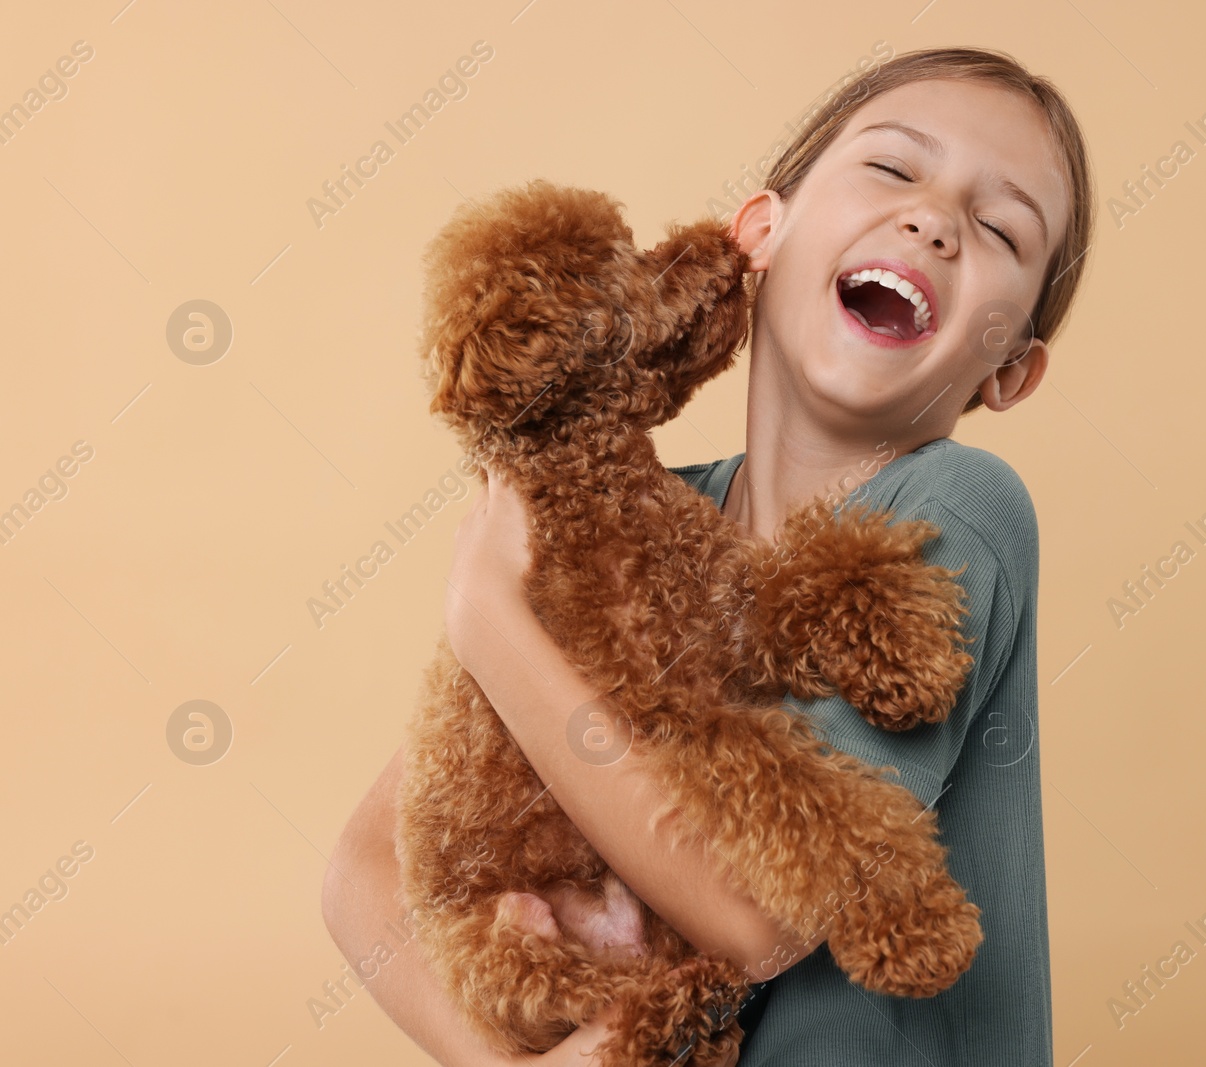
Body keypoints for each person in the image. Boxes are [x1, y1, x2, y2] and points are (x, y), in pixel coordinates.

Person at [322, 45, 1094, 1065]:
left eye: (999, 228)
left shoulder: (956, 505)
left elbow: (761, 910)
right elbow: (365, 866)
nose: (933, 220)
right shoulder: (639, 518)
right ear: (761, 234)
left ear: (1009, 368)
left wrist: (487, 613)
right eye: (892, 168)